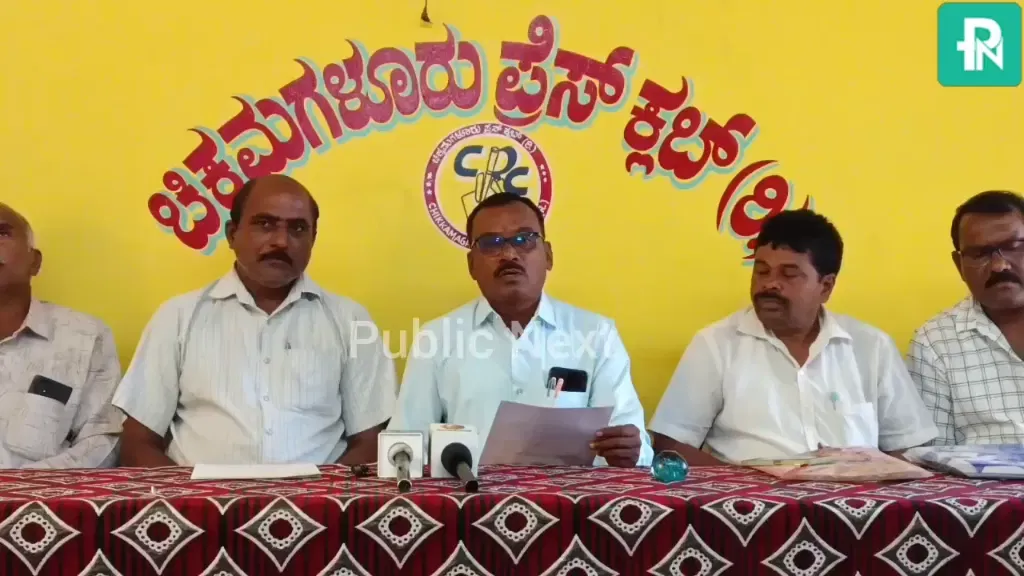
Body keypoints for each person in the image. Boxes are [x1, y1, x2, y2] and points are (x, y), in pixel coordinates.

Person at [113, 175, 396, 467]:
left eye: (298, 228)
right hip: (199, 494)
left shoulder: (350, 320)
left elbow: (372, 441)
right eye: (265, 224)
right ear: (232, 234)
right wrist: (192, 495)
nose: (281, 241)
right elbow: (138, 442)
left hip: (320, 494)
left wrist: (325, 492)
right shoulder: (178, 317)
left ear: (313, 239)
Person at [649, 209, 936, 464]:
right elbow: (671, 443)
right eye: (762, 271)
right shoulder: (716, 344)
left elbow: (909, 447)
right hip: (751, 502)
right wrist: (744, 486)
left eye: (789, 274)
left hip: (851, 502)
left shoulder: (872, 347)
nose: (770, 284)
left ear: (826, 286)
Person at [388, 193, 652, 468]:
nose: (509, 254)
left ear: (548, 255)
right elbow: (406, 445)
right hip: (469, 493)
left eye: (524, 239)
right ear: (471, 265)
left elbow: (636, 445)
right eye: (491, 243)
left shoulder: (597, 334)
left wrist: (630, 451)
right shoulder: (436, 338)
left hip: (571, 494)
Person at [0, 203, 122, 468]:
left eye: (2, 232)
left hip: (43, 493)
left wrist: (20, 486)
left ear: (35, 262)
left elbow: (101, 443)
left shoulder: (85, 337)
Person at [908, 190, 1024, 445]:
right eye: (980, 254)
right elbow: (934, 454)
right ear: (959, 264)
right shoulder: (935, 342)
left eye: (1014, 247)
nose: (999, 265)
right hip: (982, 472)